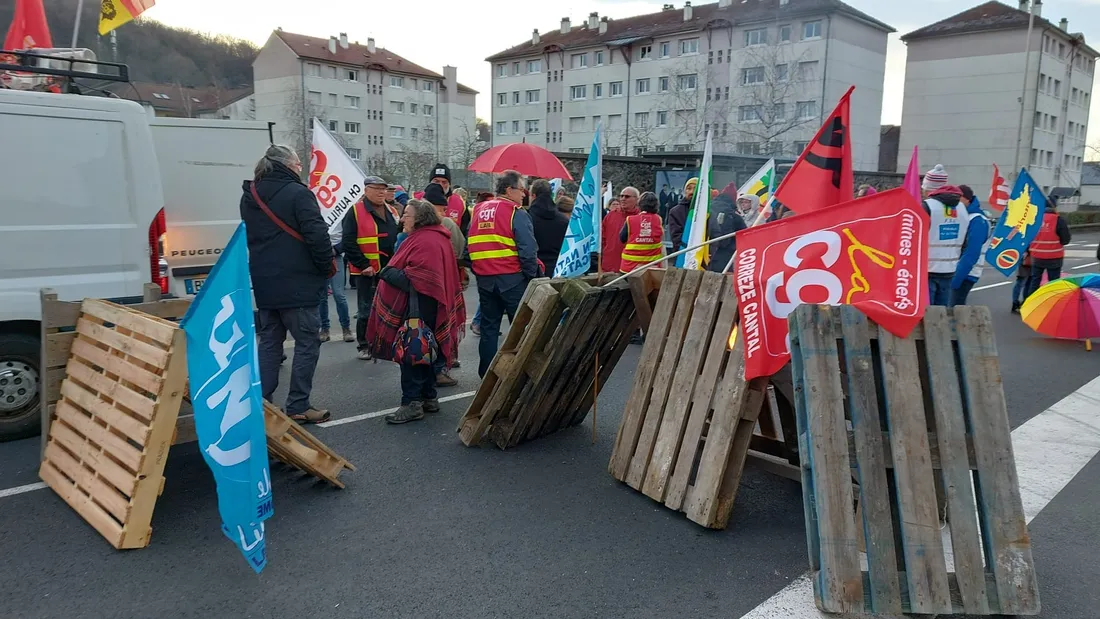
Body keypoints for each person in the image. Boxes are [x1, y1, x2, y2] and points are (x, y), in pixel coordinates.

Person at [239, 144, 331, 424]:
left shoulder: (249, 196)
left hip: (265, 281)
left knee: (269, 342)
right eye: (298, 165)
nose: (299, 169)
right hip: (298, 282)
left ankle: (261, 403)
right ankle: (298, 405)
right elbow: (316, 235)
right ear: (288, 166)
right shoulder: (298, 194)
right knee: (306, 343)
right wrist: (326, 266)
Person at [367, 199, 466, 424]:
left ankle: (411, 403)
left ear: (420, 218)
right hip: (428, 304)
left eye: (407, 215)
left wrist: (387, 272)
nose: (402, 219)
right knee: (428, 350)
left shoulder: (426, 240)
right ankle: (429, 397)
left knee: (412, 353)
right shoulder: (435, 236)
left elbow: (419, 279)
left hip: (420, 306)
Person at [467, 170, 539, 377]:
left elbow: (468, 248)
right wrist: (531, 277)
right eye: (521, 189)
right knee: (521, 329)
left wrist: (481, 270)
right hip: (512, 278)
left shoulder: (478, 210)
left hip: (485, 279)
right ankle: (518, 376)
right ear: (509, 190)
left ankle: (487, 375)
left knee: (489, 330)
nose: (524, 194)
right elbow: (527, 251)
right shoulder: (516, 212)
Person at [342, 176, 400, 360]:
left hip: (389, 269)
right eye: (376, 189)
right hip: (366, 270)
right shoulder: (355, 211)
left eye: (383, 189)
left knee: (388, 308)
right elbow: (348, 241)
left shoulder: (391, 210)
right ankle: (364, 345)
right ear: (366, 190)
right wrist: (363, 264)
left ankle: (383, 343)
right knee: (365, 309)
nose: (381, 192)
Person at [422, 184, 467, 381]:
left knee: (427, 327)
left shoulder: (415, 223)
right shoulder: (447, 224)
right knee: (444, 324)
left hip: (424, 285)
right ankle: (441, 366)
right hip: (445, 282)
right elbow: (459, 251)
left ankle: (430, 365)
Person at [921, 165, 968, 307]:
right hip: (949, 269)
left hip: (927, 269)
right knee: (942, 315)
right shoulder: (961, 207)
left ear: (929, 187)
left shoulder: (927, 206)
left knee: (926, 315)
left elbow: (916, 239)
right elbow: (965, 241)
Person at [950, 185, 991, 307]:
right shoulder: (964, 216)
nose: (955, 202)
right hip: (956, 271)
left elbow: (972, 253)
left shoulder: (977, 220)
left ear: (967, 199)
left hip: (966, 274)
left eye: (958, 198)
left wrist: (955, 280)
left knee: (954, 310)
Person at [1025, 197, 1071, 299]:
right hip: (1054, 257)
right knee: (1054, 283)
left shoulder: (1035, 219)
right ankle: (1052, 305)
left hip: (1036, 257)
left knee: (1035, 281)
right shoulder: (1059, 220)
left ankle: (1031, 303)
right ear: (1054, 206)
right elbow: (1066, 240)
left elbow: (1027, 236)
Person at [318, 211, 353, 343]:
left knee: (339, 294)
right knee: (322, 296)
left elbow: (348, 236)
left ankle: (346, 328)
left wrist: (337, 249)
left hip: (336, 255)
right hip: (320, 255)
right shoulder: (314, 211)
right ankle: (324, 329)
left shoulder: (342, 212)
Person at [529, 179, 569, 277]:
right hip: (557, 270)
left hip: (534, 270)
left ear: (533, 196)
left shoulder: (526, 218)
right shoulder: (563, 220)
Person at [618, 191, 664, 273]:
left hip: (629, 267)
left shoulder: (630, 220)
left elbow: (622, 238)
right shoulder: (658, 219)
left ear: (639, 204)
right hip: (652, 266)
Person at [706, 186, 748, 273]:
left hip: (704, 252)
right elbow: (745, 236)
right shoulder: (732, 214)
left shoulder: (708, 208)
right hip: (724, 256)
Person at [601, 186, 639, 272]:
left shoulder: (640, 218)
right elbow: (602, 238)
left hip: (631, 267)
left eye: (627, 196)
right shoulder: (610, 216)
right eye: (621, 196)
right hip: (609, 265)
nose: (623, 199)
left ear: (637, 199)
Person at [667, 177, 698, 254]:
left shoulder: (708, 211)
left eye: (695, 188)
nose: (692, 192)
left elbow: (714, 234)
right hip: (683, 255)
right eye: (689, 188)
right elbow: (676, 236)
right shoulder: (675, 211)